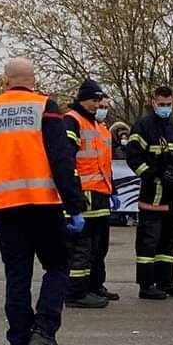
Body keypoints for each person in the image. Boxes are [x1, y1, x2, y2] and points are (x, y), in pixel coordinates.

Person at [0, 58, 84, 345]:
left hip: (7, 208)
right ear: (33, 81)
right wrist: (74, 205)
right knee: (58, 266)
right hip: (43, 204)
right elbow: (61, 159)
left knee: (17, 279)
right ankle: (44, 332)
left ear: (5, 81)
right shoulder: (44, 107)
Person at [126, 86, 173, 300]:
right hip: (152, 196)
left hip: (171, 197)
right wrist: (153, 175)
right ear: (153, 103)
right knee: (148, 242)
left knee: (169, 242)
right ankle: (146, 285)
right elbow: (133, 158)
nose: (165, 108)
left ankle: (165, 282)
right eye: (161, 104)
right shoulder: (143, 127)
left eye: (169, 104)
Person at [62, 80, 117, 308]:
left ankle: (94, 285)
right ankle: (75, 292)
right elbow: (66, 160)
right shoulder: (72, 121)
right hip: (84, 193)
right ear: (83, 99)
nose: (97, 105)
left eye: (100, 101)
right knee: (82, 247)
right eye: (94, 101)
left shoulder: (95, 124)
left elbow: (103, 162)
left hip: (100, 192)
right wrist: (73, 195)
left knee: (99, 246)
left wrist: (112, 189)